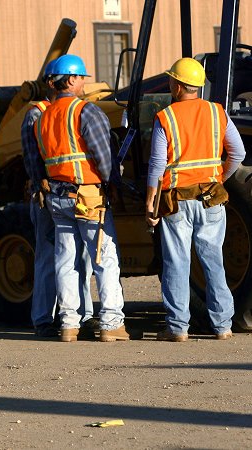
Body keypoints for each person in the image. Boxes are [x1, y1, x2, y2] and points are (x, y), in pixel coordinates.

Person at [28, 54, 128, 342]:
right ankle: (111, 323)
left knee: (66, 260)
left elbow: (36, 164)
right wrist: (114, 186)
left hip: (58, 199)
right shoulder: (86, 111)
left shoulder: (42, 117)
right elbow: (104, 158)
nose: (84, 82)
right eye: (82, 77)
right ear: (71, 79)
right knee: (104, 259)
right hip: (89, 197)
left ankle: (69, 323)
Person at [145, 57, 244, 342]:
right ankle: (223, 325)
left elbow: (156, 164)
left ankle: (177, 328)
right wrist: (219, 179)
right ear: (198, 86)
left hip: (176, 200)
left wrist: (150, 201)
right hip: (210, 199)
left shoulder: (166, 117)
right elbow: (237, 153)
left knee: (176, 261)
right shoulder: (216, 112)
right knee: (213, 260)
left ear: (176, 86)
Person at [21, 58, 97, 338]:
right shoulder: (38, 113)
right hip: (49, 196)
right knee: (49, 256)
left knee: (80, 258)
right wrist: (41, 188)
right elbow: (32, 160)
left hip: (65, 194)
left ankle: (80, 316)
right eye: (79, 78)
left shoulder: (58, 112)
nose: (83, 83)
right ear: (64, 81)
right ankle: (43, 317)